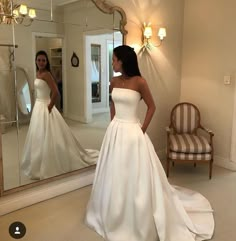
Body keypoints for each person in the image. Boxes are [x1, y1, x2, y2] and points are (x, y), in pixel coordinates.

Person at [85, 45, 214, 241]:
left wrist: (142, 128)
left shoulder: (140, 82)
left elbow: (152, 107)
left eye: (114, 59)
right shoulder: (113, 81)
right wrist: (113, 122)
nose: (112, 62)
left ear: (123, 61)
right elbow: (112, 103)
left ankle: (134, 214)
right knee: (113, 170)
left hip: (133, 131)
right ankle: (112, 211)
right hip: (115, 130)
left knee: (134, 174)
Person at [21, 50, 99, 180]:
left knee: (49, 135)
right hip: (38, 106)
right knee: (38, 135)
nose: (41, 62)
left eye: (43, 60)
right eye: (39, 60)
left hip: (46, 106)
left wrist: (50, 106)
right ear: (36, 61)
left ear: (47, 62)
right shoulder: (38, 73)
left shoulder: (46, 74)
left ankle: (50, 162)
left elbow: (56, 92)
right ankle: (37, 161)